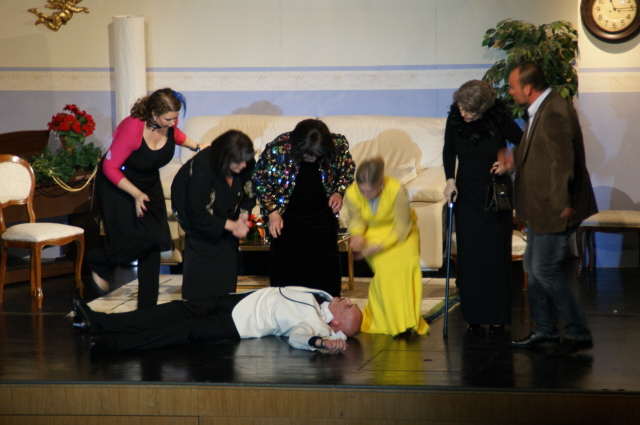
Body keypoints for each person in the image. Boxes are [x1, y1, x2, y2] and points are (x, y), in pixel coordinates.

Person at [502, 62, 598, 355]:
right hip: (540, 208)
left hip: (554, 208)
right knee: (533, 268)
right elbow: (537, 150)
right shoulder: (539, 110)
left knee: (543, 269)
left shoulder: (554, 111)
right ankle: (544, 328)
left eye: (513, 86)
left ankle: (577, 331)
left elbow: (562, 162)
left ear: (528, 88)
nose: (510, 91)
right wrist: (514, 160)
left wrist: (561, 203)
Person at [88, 88, 201, 309]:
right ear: (153, 113)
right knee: (130, 240)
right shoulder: (132, 128)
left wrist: (197, 147)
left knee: (154, 241)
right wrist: (136, 194)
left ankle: (147, 309)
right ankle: (99, 261)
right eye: (168, 119)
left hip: (148, 183)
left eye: (175, 118)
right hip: (119, 184)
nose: (173, 123)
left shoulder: (168, 124)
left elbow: (176, 135)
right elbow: (110, 167)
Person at [442, 80, 524, 335]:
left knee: (495, 255)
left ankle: (498, 317)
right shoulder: (455, 118)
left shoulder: (499, 118)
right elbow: (449, 150)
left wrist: (508, 163)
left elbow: (523, 142)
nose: (464, 113)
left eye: (469, 110)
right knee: (470, 256)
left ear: (484, 108)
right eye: (461, 107)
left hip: (494, 193)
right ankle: (474, 316)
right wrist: (450, 180)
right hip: (466, 193)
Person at [72, 286, 362, 354]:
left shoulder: (315, 325)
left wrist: (323, 342)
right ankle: (97, 320)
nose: (346, 299)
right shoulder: (322, 298)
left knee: (182, 329)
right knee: (175, 309)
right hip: (236, 300)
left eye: (348, 306)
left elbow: (299, 339)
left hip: (237, 324)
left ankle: (112, 344)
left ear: (336, 323)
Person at [253, 119, 355, 297]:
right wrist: (272, 212)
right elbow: (259, 179)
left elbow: (347, 169)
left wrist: (339, 192)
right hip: (286, 219)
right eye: (308, 154)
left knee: (326, 276)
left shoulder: (337, 144)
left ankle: (326, 310)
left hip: (322, 218)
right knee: (286, 279)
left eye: (317, 154)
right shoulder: (279, 148)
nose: (313, 158)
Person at [344, 157, 429, 336]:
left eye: (370, 191)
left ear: (381, 183)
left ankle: (408, 321)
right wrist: (358, 235)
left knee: (407, 265)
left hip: (402, 234)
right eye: (362, 190)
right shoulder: (351, 193)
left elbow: (402, 227)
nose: (365, 195)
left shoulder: (396, 189)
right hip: (372, 234)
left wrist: (381, 245)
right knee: (387, 272)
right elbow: (356, 221)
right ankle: (394, 323)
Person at [171, 130, 256, 300]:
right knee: (202, 262)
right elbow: (199, 213)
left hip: (226, 212)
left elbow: (250, 194)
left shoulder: (246, 161)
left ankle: (223, 304)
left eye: (245, 160)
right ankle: (197, 305)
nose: (244, 165)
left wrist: (242, 218)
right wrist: (232, 225)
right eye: (238, 162)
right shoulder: (203, 167)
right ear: (224, 158)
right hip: (195, 217)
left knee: (227, 259)